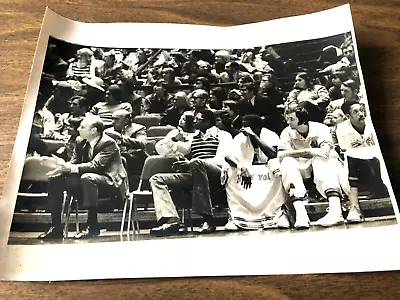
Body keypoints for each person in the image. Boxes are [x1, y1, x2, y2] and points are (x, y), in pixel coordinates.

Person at [38, 115, 129, 240]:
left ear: (93, 131)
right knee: (56, 179)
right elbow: (74, 162)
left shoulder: (109, 143)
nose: (79, 129)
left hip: (110, 181)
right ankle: (56, 227)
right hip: (88, 181)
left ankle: (92, 225)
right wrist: (62, 165)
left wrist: (69, 168)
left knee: (87, 178)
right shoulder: (80, 141)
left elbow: (96, 165)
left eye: (82, 127)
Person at [149, 109, 232, 236]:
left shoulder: (223, 135)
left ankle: (207, 219)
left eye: (197, 119)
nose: (193, 121)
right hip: (195, 173)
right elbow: (162, 151)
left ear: (207, 122)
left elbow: (222, 159)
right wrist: (174, 139)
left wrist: (192, 163)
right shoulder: (192, 138)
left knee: (196, 162)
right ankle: (171, 220)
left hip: (216, 173)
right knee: (157, 179)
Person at [278, 106, 345, 228]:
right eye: (286, 119)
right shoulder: (286, 132)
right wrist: (308, 151)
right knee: (287, 162)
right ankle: (301, 213)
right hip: (302, 164)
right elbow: (281, 154)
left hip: (325, 164)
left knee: (322, 160)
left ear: (302, 119)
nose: (288, 122)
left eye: (291, 119)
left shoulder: (320, 128)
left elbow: (324, 152)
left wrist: (311, 153)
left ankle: (336, 211)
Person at [222, 115, 288, 230]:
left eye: (246, 126)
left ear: (257, 128)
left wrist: (254, 136)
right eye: (242, 126)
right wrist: (240, 167)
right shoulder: (239, 137)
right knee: (229, 170)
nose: (243, 129)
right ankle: (237, 218)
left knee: (277, 166)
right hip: (247, 169)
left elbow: (273, 154)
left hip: (267, 168)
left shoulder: (269, 135)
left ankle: (278, 215)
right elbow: (228, 156)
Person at [336, 100, 389, 223]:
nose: (361, 113)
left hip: (378, 165)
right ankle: (354, 207)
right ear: (348, 116)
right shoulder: (342, 128)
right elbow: (348, 151)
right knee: (352, 159)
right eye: (356, 112)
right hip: (361, 169)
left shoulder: (372, 122)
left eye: (361, 110)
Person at [104, 109, 148, 189]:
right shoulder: (108, 131)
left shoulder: (138, 129)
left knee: (123, 158)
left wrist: (121, 138)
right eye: (112, 119)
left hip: (133, 158)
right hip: (113, 156)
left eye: (116, 119)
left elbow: (142, 143)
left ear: (126, 120)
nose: (113, 122)